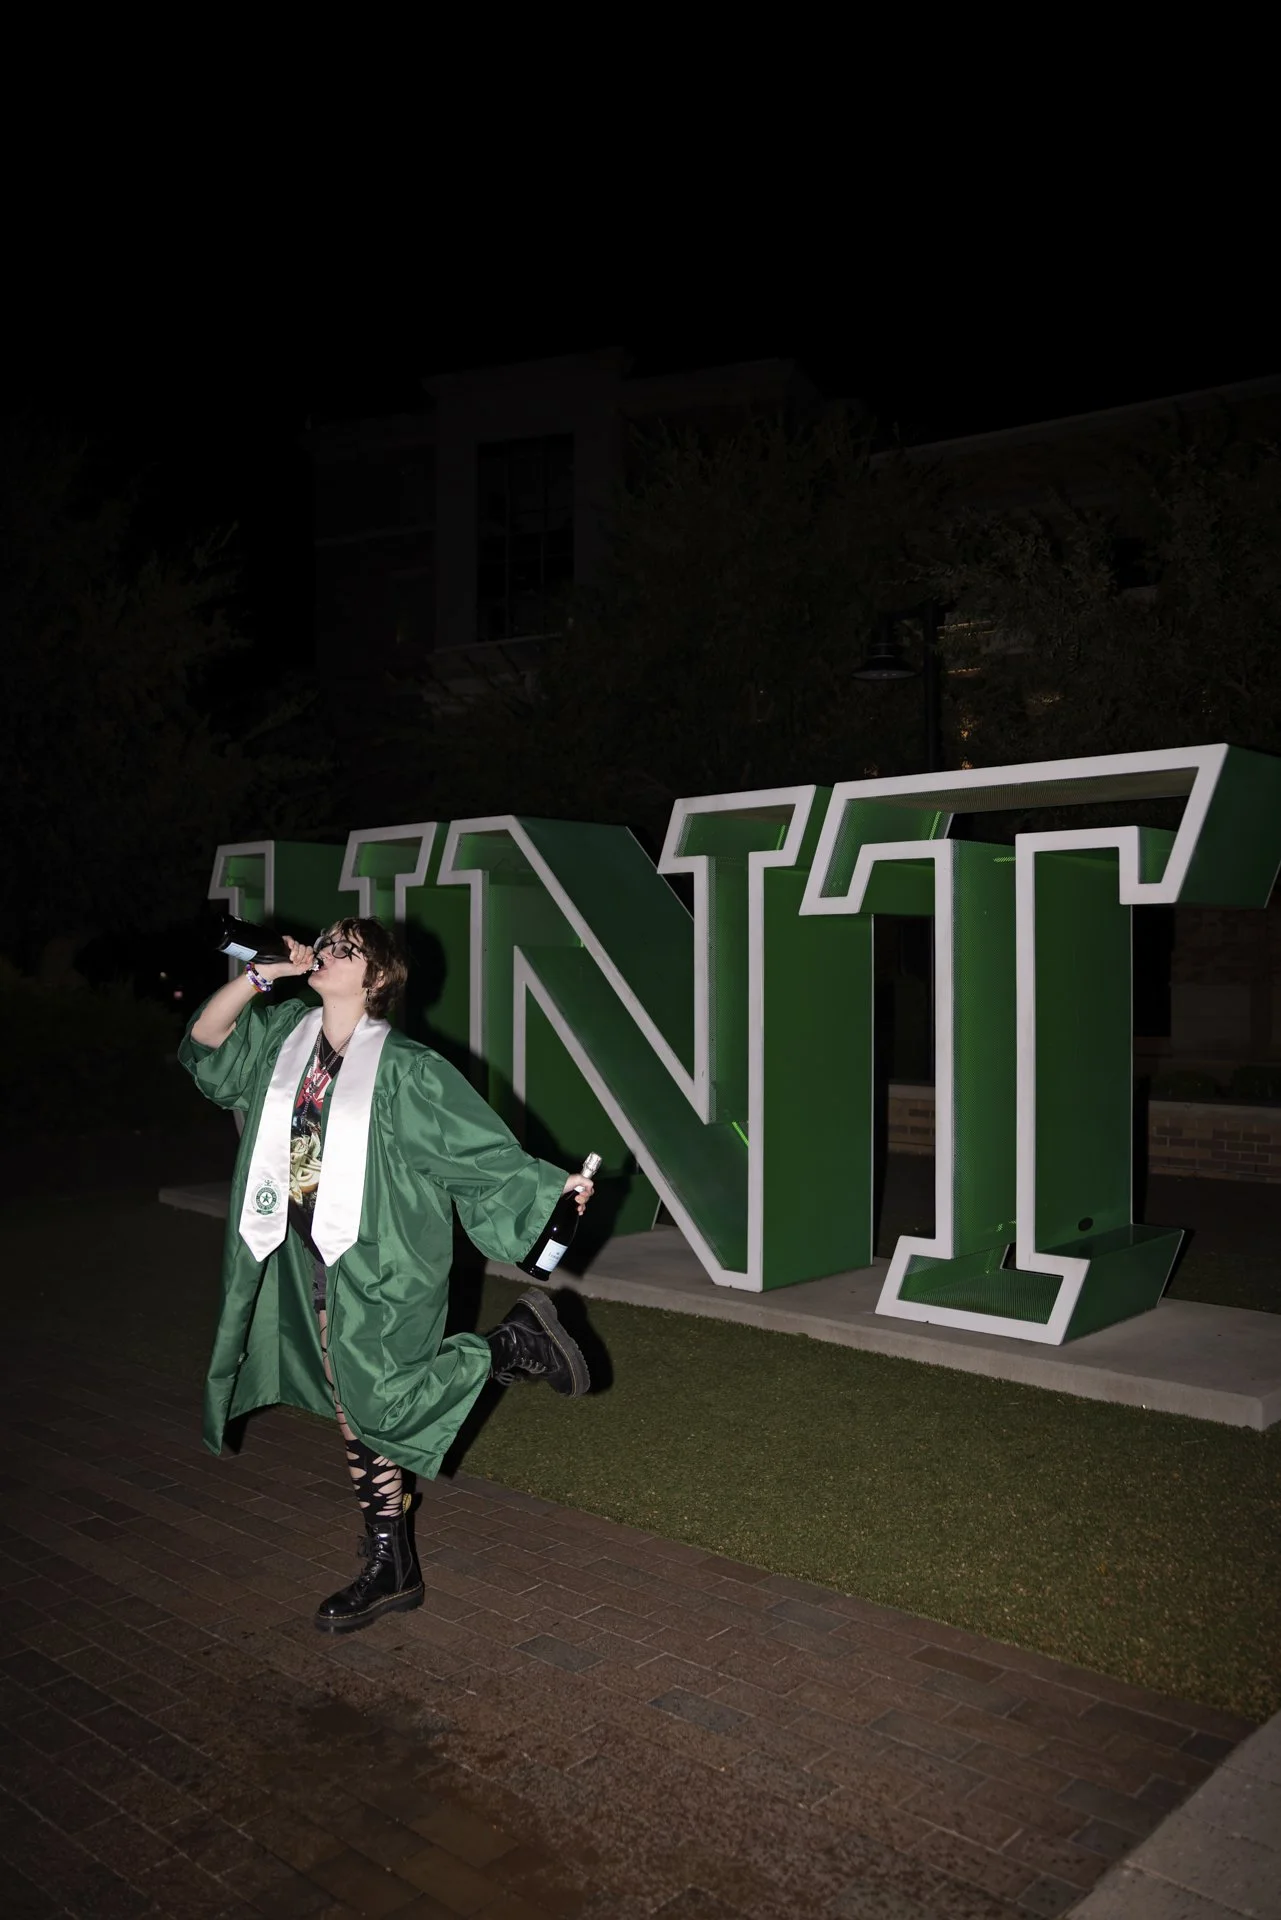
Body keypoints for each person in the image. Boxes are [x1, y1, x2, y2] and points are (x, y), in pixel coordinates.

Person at [180, 916, 595, 1634]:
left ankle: (514, 1344)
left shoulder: (407, 1068)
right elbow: (205, 1045)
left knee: (384, 1403)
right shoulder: (282, 1039)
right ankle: (389, 1563)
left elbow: (478, 1154)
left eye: (350, 947)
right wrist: (260, 975)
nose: (329, 949)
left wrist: (548, 1194)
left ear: (376, 980)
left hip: (386, 1259)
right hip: (303, 1254)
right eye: (328, 939)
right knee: (355, 1409)